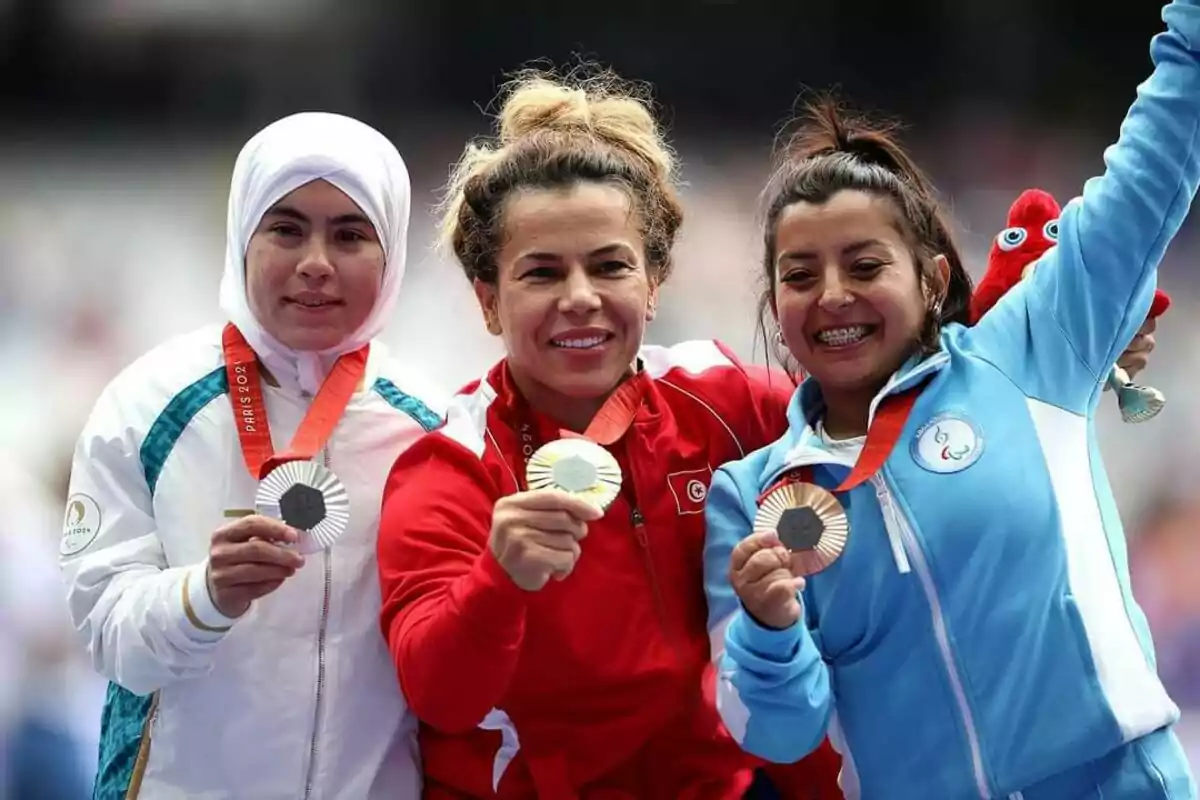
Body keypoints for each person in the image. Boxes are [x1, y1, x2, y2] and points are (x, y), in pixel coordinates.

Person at [703, 3, 1200, 798]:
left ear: (932, 279)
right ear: (773, 304)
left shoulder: (1028, 351)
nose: (832, 296)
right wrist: (769, 631)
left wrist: (1190, 38)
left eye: (865, 266)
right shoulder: (749, 495)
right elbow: (776, 731)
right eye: (800, 277)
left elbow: (1148, 177)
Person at [376, 70, 842, 798]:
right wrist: (498, 583)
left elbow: (882, 426)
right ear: (489, 301)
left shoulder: (731, 406)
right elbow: (439, 698)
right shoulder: (451, 465)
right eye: (541, 273)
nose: (581, 298)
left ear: (653, 283)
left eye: (609, 265)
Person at [60, 112, 444, 799]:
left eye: (351, 234)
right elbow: (106, 637)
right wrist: (203, 595)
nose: (317, 263)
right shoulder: (146, 407)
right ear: (242, 238)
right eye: (287, 229)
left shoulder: (432, 426)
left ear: (391, 256)